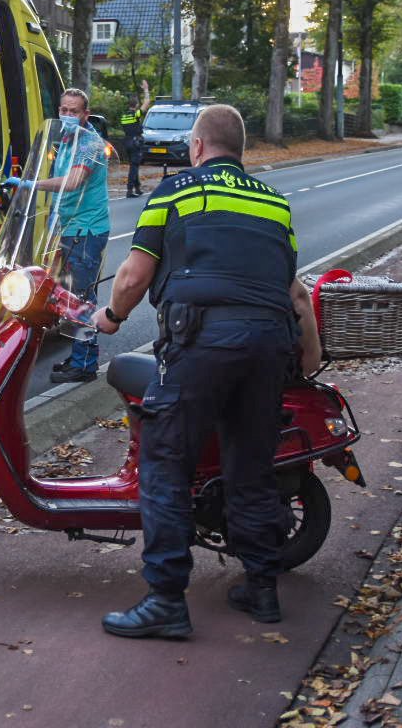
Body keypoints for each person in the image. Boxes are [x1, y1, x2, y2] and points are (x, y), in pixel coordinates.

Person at [90, 103, 321, 639]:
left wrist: (111, 317)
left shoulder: (174, 192)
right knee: (252, 469)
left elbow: (134, 274)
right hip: (267, 347)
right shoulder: (274, 203)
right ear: (241, 150)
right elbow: (294, 292)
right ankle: (261, 589)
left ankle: (166, 601)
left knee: (166, 464)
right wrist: (309, 358)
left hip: (200, 344)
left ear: (196, 147)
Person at [6, 88, 112, 384]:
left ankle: (84, 364)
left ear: (85, 114)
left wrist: (32, 184)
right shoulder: (65, 139)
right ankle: (79, 355)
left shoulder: (90, 144)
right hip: (70, 226)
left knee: (82, 297)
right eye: (63, 110)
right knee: (70, 296)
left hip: (87, 229)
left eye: (73, 111)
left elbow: (74, 181)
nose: (67, 115)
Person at [119, 79, 153, 197]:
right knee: (134, 167)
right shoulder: (135, 115)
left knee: (134, 165)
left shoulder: (123, 116)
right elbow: (147, 102)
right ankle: (129, 190)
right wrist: (146, 90)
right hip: (135, 143)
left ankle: (137, 188)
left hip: (127, 142)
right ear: (136, 105)